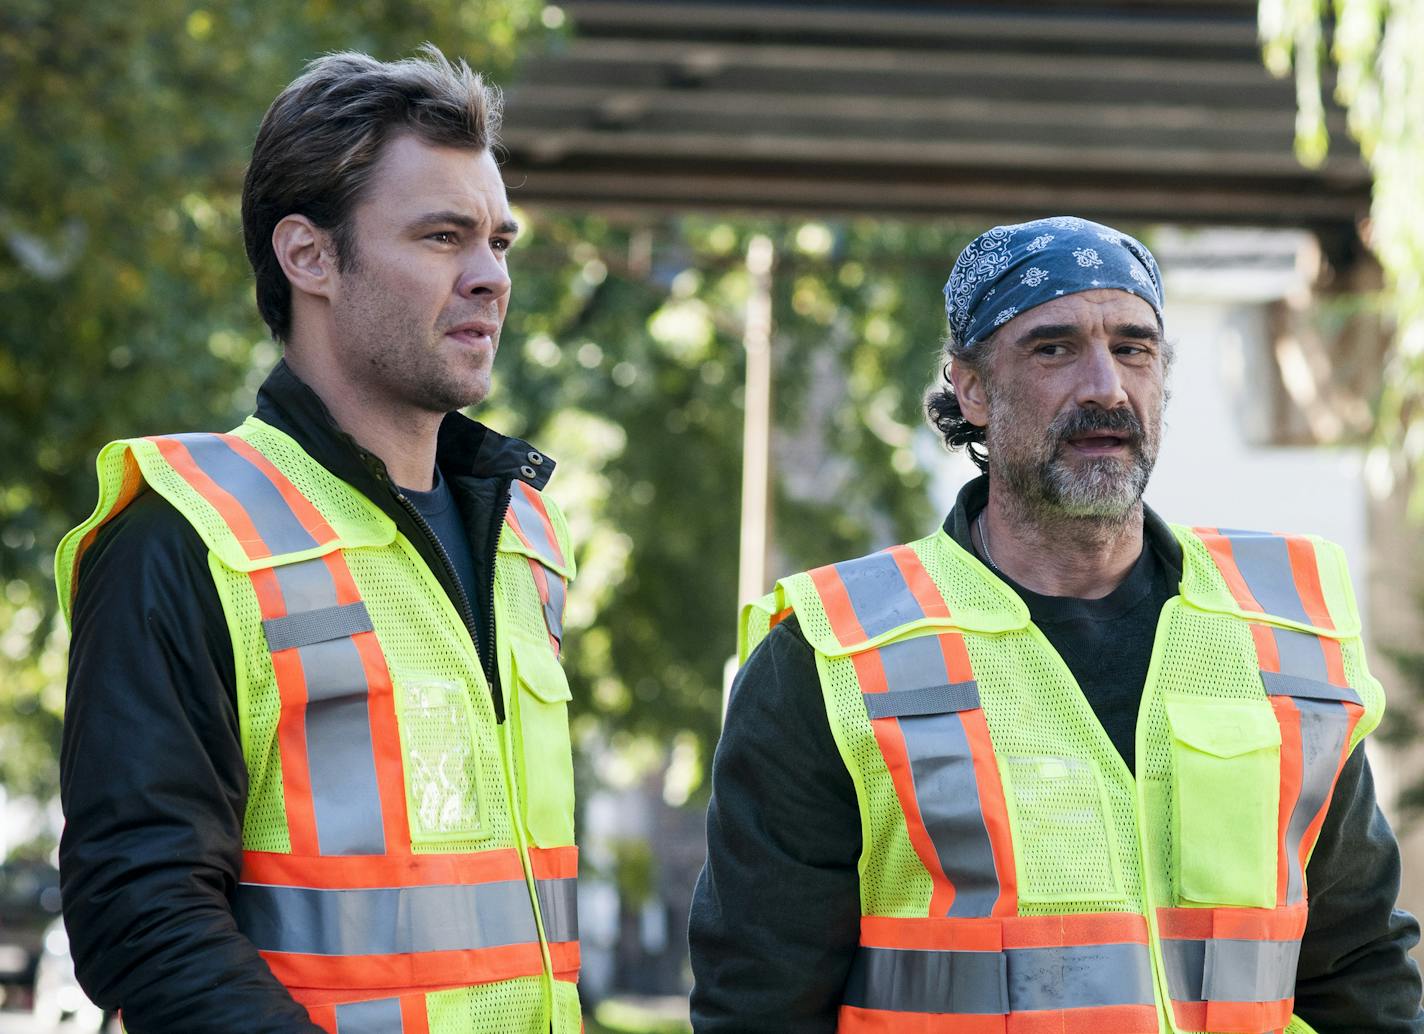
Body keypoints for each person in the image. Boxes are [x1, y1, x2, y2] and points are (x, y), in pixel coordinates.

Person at [689, 216, 1424, 1033]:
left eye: (1134, 348)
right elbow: (759, 1006)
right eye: (1054, 348)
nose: (1105, 386)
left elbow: (1359, 969)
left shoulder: (1283, 632)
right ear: (970, 387)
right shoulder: (830, 655)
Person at [55, 47, 581, 1033]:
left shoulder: (527, 536)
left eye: (499, 243)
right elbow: (140, 908)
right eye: (441, 236)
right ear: (308, 256)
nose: (488, 278)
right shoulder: (182, 532)